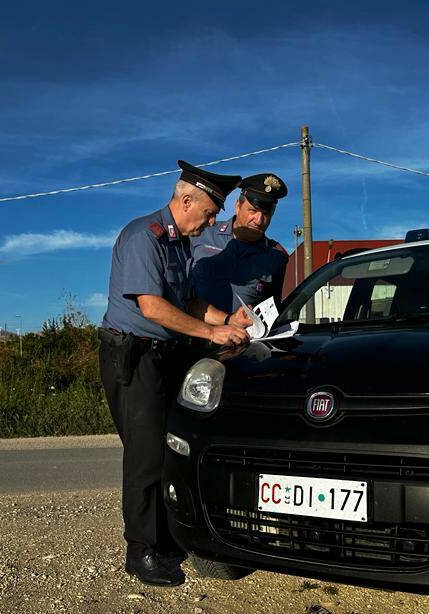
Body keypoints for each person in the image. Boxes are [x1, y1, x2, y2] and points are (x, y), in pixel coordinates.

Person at [99, 160, 252, 587]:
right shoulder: (143, 237)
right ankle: (142, 551)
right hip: (133, 356)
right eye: (208, 212)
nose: (212, 222)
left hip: (163, 356)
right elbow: (152, 306)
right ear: (186, 200)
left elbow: (189, 303)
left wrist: (232, 322)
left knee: (170, 450)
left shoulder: (178, 245)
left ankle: (166, 538)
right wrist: (211, 333)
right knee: (146, 456)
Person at [190, 173, 289, 313]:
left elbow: (272, 309)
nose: (259, 220)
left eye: (266, 214)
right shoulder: (201, 233)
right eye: (253, 210)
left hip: (244, 334)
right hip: (194, 331)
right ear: (237, 206)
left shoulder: (276, 256)